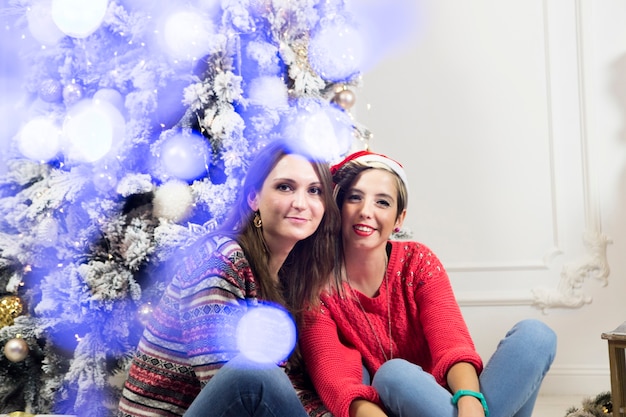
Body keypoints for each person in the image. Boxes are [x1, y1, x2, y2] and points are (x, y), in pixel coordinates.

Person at [299, 150, 557, 417]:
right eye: (355, 198)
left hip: (448, 402)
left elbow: (451, 343)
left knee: (535, 336)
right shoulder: (316, 290)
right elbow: (338, 383)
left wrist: (470, 400)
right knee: (393, 375)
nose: (366, 211)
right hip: (387, 409)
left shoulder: (417, 261)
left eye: (383, 203)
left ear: (399, 219)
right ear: (339, 207)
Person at [117, 139, 340, 417]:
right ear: (253, 198)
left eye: (315, 191)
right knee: (254, 375)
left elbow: (290, 386)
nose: (301, 203)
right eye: (285, 187)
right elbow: (232, 385)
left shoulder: (285, 276)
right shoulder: (222, 260)